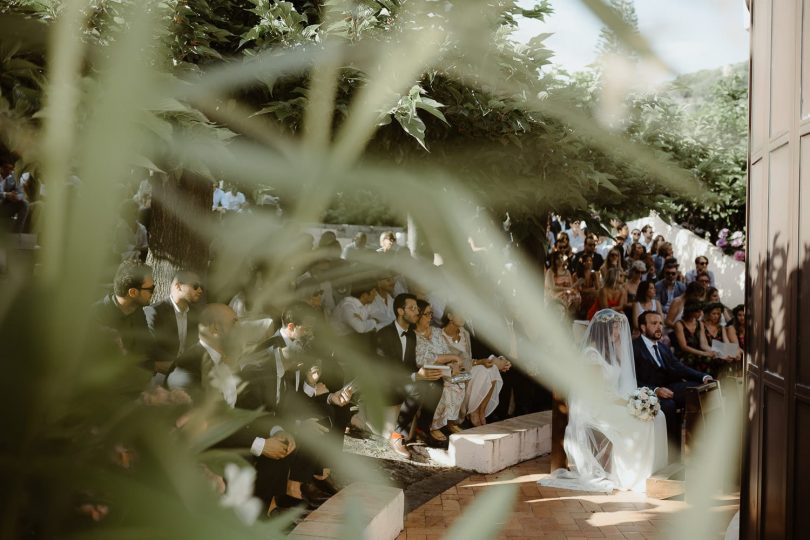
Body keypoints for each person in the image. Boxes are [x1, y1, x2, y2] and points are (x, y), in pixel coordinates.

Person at [545, 309, 667, 493]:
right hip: (595, 408)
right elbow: (599, 393)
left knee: (658, 416)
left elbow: (615, 386)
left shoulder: (610, 351)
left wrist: (634, 400)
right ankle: (630, 475)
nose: (619, 333)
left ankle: (650, 472)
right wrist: (629, 403)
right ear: (604, 330)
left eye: (618, 328)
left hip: (610, 402)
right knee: (641, 421)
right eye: (615, 328)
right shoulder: (591, 354)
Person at [377, 294, 444, 459]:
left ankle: (422, 428)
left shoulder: (411, 335)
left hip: (403, 380)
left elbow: (410, 366)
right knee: (418, 386)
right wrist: (417, 376)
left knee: (437, 382)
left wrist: (426, 372)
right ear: (400, 311)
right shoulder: (384, 334)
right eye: (412, 308)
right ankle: (397, 436)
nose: (416, 312)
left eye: (417, 309)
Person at [633, 311, 712, 447]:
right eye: (654, 323)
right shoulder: (634, 348)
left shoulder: (663, 347)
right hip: (647, 392)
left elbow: (679, 367)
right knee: (669, 405)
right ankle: (672, 451)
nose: (659, 327)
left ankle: (698, 444)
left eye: (660, 323)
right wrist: (656, 390)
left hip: (669, 387)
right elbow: (631, 378)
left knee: (701, 391)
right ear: (643, 327)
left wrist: (703, 376)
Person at [441, 307, 506, 427]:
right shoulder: (440, 335)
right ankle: (473, 413)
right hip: (452, 375)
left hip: (467, 370)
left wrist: (482, 362)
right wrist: (478, 362)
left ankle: (481, 411)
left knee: (492, 369)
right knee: (482, 371)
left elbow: (469, 358)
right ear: (449, 316)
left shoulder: (464, 333)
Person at [413, 300, 465, 439]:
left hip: (445, 371)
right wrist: (451, 356)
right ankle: (433, 426)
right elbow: (421, 360)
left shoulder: (436, 332)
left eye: (432, 313)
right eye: (427, 314)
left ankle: (448, 422)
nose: (431, 317)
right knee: (443, 385)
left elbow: (446, 351)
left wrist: (453, 364)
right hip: (428, 373)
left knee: (462, 378)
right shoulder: (414, 336)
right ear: (418, 316)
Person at [91, 260, 155, 364]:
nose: (153, 292)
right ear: (133, 292)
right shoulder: (96, 316)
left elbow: (145, 348)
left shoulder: (137, 309)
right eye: (151, 289)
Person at [144, 270, 205, 375]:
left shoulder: (196, 315)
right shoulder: (154, 312)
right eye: (195, 285)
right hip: (159, 374)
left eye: (201, 287)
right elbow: (150, 348)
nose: (200, 290)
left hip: (186, 374)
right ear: (178, 286)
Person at [672, 301, 719, 377]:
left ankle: (709, 382)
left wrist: (715, 352)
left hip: (698, 352)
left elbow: (703, 344)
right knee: (693, 360)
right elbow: (684, 347)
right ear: (690, 311)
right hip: (684, 354)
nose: (700, 313)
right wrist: (703, 353)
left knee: (712, 358)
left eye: (700, 311)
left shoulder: (700, 323)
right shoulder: (679, 324)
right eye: (697, 311)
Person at [545, 251, 581, 315]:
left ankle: (572, 316)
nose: (560, 260)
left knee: (576, 296)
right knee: (566, 297)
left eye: (561, 258)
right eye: (558, 258)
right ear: (554, 260)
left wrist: (576, 284)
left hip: (567, 291)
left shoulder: (567, 271)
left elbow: (571, 285)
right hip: (555, 293)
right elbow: (553, 287)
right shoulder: (550, 271)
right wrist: (566, 289)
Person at [574, 253, 602, 319]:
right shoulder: (576, 275)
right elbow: (580, 290)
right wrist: (592, 289)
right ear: (582, 262)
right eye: (587, 261)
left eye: (591, 261)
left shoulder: (594, 274)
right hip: (581, 298)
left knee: (597, 295)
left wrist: (596, 278)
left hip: (592, 297)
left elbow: (598, 289)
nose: (589, 263)